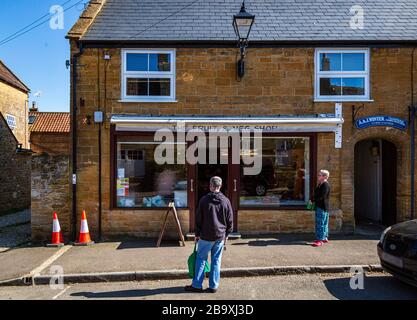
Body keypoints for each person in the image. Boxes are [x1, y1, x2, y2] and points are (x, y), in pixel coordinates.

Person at [185, 176, 233, 293]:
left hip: (205, 236)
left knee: (201, 259)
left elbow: (198, 219)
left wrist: (197, 234)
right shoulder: (226, 201)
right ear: (220, 186)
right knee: (216, 261)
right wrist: (227, 234)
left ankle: (197, 285)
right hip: (220, 236)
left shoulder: (204, 200)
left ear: (211, 186)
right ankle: (213, 286)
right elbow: (230, 220)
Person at [312, 169, 331, 247]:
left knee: (320, 223)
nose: (318, 176)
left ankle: (319, 240)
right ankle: (324, 237)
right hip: (322, 206)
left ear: (325, 177)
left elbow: (321, 196)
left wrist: (312, 200)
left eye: (320, 175)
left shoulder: (325, 185)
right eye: (318, 175)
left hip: (322, 206)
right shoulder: (320, 184)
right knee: (324, 223)